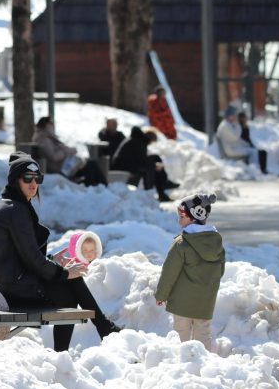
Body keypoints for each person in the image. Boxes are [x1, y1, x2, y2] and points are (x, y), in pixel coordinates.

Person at [0, 153, 119, 352]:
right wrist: (63, 272)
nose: (33, 183)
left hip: (0, 284)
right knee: (70, 287)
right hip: (6, 289)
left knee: (68, 281)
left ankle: (98, 331)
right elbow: (32, 259)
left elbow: (22, 256)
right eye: (27, 178)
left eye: (37, 179)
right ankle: (99, 331)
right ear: (15, 180)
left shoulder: (7, 206)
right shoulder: (15, 211)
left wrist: (53, 261)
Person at [155, 194, 224, 351]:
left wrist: (161, 295)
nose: (179, 220)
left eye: (181, 216)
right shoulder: (216, 243)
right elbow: (220, 270)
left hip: (182, 302)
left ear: (194, 217)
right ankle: (205, 364)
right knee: (203, 334)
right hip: (205, 301)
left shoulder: (182, 243)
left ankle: (181, 364)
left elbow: (169, 272)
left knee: (181, 334)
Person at [33, 116, 106, 186]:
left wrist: (70, 150)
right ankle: (100, 186)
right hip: (60, 169)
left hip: (64, 165)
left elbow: (61, 150)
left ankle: (98, 187)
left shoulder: (48, 137)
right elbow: (54, 157)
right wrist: (67, 152)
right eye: (51, 123)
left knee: (90, 165)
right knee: (91, 165)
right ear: (45, 125)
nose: (53, 126)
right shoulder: (43, 139)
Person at [111, 126, 177, 201]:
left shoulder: (137, 139)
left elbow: (140, 159)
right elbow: (141, 162)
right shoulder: (139, 142)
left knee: (155, 158)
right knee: (149, 168)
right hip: (122, 167)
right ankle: (149, 194)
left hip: (125, 164)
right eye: (152, 142)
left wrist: (154, 164)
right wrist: (154, 165)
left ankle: (162, 186)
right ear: (150, 139)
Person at [217, 106, 267, 173]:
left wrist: (245, 144)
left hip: (233, 148)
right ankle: (255, 171)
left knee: (253, 151)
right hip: (231, 150)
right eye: (233, 115)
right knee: (253, 152)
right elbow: (236, 136)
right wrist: (237, 124)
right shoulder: (226, 126)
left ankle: (256, 170)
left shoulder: (228, 125)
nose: (235, 117)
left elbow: (236, 139)